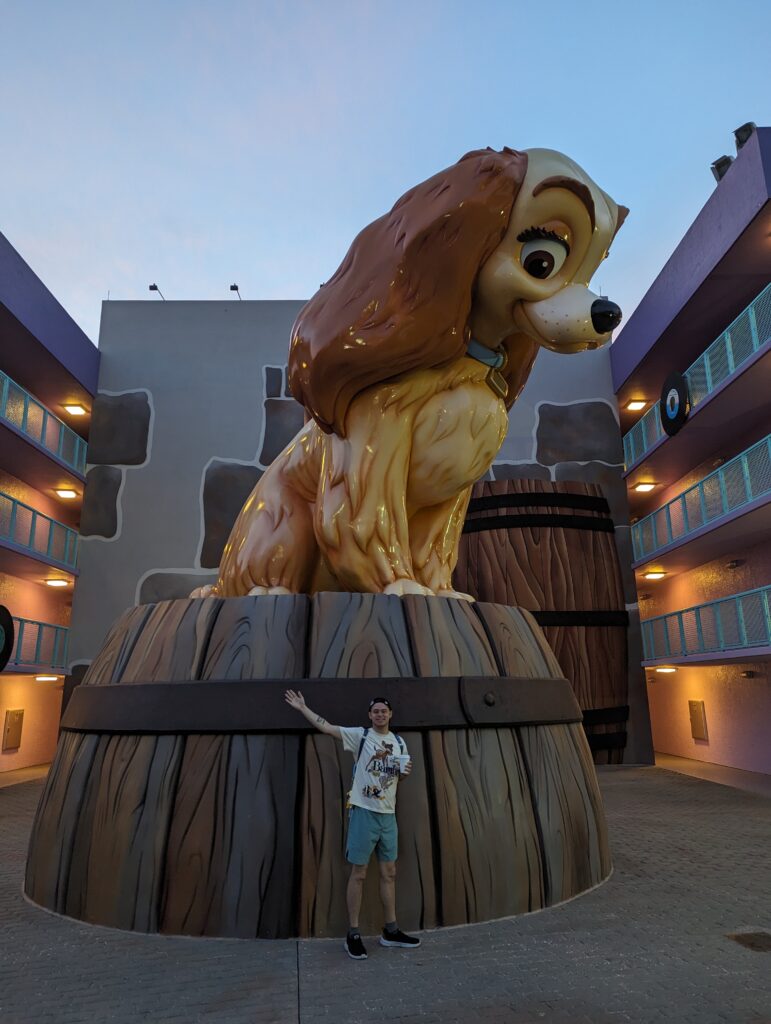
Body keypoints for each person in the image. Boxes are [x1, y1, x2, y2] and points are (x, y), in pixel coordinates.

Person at [284, 689, 422, 959]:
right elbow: (327, 728)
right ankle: (353, 933)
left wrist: (404, 774)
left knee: (389, 872)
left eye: (384, 711)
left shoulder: (399, 743)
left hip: (387, 814)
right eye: (376, 711)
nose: (380, 714)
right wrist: (303, 708)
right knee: (358, 872)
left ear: (390, 714)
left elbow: (397, 779)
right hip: (363, 811)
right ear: (370, 715)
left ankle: (390, 931)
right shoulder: (361, 736)